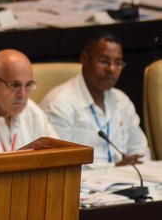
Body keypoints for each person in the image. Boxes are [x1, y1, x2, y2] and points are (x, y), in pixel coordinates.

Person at [40, 33, 150, 166]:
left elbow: (141, 151)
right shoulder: (59, 104)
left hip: (127, 181)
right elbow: (60, 164)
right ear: (85, 59)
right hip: (82, 185)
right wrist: (113, 169)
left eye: (118, 63)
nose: (112, 69)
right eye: (104, 61)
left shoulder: (122, 101)